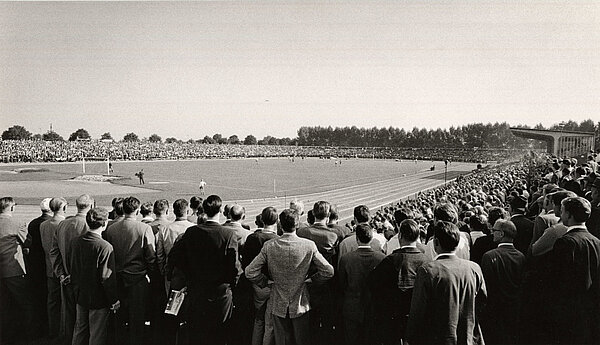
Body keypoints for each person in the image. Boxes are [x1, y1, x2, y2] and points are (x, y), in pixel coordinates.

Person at [245, 209, 334, 345]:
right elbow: (328, 271)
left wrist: (266, 282)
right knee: (301, 340)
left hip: (277, 302)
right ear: (297, 224)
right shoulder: (308, 245)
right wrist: (311, 280)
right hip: (300, 303)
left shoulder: (270, 246)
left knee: (282, 341)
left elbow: (250, 271)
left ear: (280, 224)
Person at [167, 195, 242, 345]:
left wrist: (188, 277)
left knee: (198, 335)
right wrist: (232, 287)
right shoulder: (228, 234)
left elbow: (176, 258)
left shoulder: (192, 232)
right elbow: (234, 267)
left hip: (197, 291)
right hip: (220, 293)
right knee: (220, 335)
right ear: (220, 211)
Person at [405, 221, 486, 345]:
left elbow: (418, 311)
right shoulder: (474, 268)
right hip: (469, 337)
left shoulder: (428, 270)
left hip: (439, 337)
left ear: (436, 243)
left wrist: (410, 338)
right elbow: (482, 301)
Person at [541, 196, 600, 344]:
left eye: (562, 211)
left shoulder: (566, 242)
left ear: (569, 215)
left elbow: (556, 279)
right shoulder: (596, 241)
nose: (561, 214)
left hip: (569, 311)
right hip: (591, 309)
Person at [103, 196, 156, 345]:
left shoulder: (111, 229)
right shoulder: (144, 228)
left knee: (119, 315)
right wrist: (151, 274)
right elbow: (151, 256)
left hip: (118, 277)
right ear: (138, 211)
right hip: (138, 279)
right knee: (137, 317)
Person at [369, 219, 430, 344]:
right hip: (417, 316)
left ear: (400, 236)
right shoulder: (427, 261)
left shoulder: (390, 260)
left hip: (393, 316)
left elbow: (374, 284)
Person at [70, 208, 120, 345]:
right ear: (104, 224)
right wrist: (114, 299)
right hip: (98, 298)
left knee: (80, 330)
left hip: (81, 294)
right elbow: (106, 277)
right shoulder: (105, 246)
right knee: (97, 334)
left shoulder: (76, 242)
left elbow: (73, 268)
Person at [50, 194, 94, 345]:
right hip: (83, 280)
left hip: (66, 278)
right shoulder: (90, 225)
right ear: (91, 205)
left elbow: (53, 252)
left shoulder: (63, 224)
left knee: (69, 315)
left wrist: (61, 274)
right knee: (85, 319)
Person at [338, 224, 385, 345]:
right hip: (373, 307)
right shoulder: (381, 258)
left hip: (352, 307)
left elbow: (342, 284)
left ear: (357, 239)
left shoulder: (346, 259)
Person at [480, 219, 525, 345]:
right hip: (514, 309)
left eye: (494, 230)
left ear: (501, 234)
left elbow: (486, 286)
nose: (492, 233)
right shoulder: (521, 256)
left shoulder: (489, 256)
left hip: (495, 310)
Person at [241, 207, 279, 345]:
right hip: (272, 284)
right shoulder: (277, 240)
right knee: (270, 322)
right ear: (276, 221)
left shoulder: (252, 238)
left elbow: (245, 263)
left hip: (257, 284)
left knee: (259, 319)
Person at [0, 197, 35, 343]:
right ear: (12, 208)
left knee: (4, 304)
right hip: (13, 269)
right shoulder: (16, 223)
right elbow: (27, 241)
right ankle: (27, 335)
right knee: (24, 303)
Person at [40, 197, 68, 339]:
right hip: (62, 269)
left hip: (49, 267)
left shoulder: (43, 224)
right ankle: (63, 332)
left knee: (53, 301)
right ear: (64, 208)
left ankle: (53, 330)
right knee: (65, 302)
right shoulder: (63, 224)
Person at [26, 197, 53, 338]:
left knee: (38, 297)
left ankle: (38, 325)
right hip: (46, 263)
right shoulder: (48, 224)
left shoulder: (33, 223)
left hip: (35, 263)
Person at [156, 198, 194, 293]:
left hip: (171, 271)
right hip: (188, 271)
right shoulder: (193, 228)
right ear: (187, 211)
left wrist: (163, 271)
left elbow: (159, 254)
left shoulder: (165, 229)